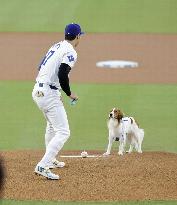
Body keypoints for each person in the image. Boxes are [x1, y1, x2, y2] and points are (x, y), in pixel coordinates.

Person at [32, 23, 84, 180]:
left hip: (38, 91)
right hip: (48, 94)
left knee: (52, 126)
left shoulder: (56, 46)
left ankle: (51, 160)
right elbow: (62, 73)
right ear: (77, 36)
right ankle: (43, 165)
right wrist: (69, 94)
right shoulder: (71, 51)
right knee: (63, 132)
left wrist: (55, 89)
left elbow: (40, 66)